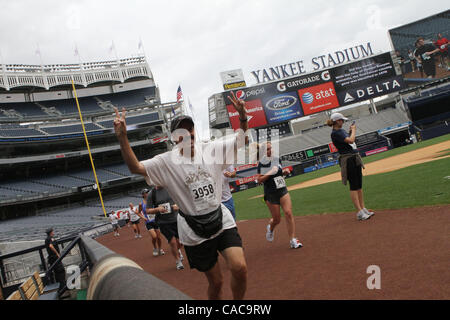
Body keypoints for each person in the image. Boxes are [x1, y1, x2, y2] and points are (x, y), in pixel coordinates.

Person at [113, 90, 248, 300]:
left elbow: (241, 141)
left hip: (220, 218)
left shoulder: (211, 149)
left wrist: (242, 117)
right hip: (193, 228)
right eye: (181, 132)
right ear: (174, 138)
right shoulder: (165, 161)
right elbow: (136, 167)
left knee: (240, 268)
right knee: (216, 282)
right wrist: (122, 138)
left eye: (190, 128)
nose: (187, 134)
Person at [326, 113, 374, 221]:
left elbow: (348, 140)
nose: (343, 122)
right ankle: (359, 212)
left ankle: (363, 208)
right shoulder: (335, 133)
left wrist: (350, 132)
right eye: (341, 120)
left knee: (359, 185)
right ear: (337, 121)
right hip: (348, 159)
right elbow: (351, 140)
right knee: (353, 185)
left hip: (353, 157)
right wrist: (353, 130)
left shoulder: (341, 131)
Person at [256, 141, 303, 249]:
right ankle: (271, 228)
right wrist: (270, 172)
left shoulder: (277, 159)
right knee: (277, 219)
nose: (270, 150)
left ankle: (293, 240)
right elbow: (259, 180)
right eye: (267, 149)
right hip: (271, 193)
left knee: (288, 213)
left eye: (271, 148)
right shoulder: (262, 164)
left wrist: (284, 172)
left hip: (282, 190)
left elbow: (278, 172)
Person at [147, 186, 184, 270]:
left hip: (176, 219)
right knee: (173, 242)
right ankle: (178, 261)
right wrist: (157, 209)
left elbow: (182, 198)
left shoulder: (171, 187)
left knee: (180, 243)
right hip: (163, 222)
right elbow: (148, 210)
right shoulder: (152, 193)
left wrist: (178, 205)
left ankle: (178, 250)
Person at [140, 188, 164, 256]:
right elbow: (138, 212)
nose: (148, 193)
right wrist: (142, 217)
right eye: (146, 192)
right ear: (143, 195)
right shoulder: (141, 204)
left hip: (156, 221)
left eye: (148, 192)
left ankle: (160, 249)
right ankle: (155, 248)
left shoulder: (153, 201)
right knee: (154, 237)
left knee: (159, 237)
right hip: (148, 222)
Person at [44, 228, 66, 294]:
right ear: (51, 232)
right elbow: (51, 246)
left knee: (57, 273)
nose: (53, 232)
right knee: (61, 271)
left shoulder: (46, 239)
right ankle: (62, 288)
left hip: (52, 259)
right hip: (55, 258)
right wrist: (57, 254)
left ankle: (60, 288)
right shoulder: (51, 238)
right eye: (52, 231)